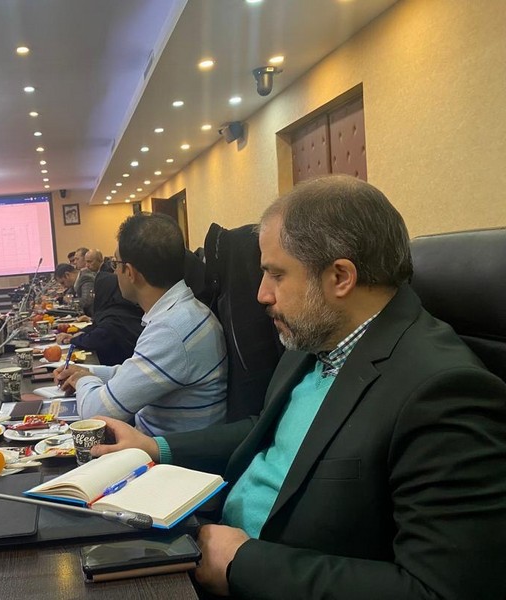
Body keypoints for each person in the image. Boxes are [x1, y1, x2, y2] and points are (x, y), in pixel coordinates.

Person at [90, 176, 506, 599]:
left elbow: (437, 590)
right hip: (211, 541)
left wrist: (242, 564)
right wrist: (155, 447)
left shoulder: (443, 392)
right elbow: (263, 432)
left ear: (340, 277)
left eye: (276, 274)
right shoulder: (316, 337)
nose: (261, 294)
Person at [54, 212, 228, 435]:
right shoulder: (185, 312)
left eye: (115, 264)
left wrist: (82, 381)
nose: (114, 272)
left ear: (130, 272)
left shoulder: (171, 331)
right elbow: (137, 374)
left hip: (162, 454)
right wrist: (88, 371)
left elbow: (94, 414)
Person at [56, 272, 143, 366]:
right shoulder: (115, 309)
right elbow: (96, 326)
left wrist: (72, 340)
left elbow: (96, 338)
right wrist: (80, 333)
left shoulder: (117, 315)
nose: (94, 296)